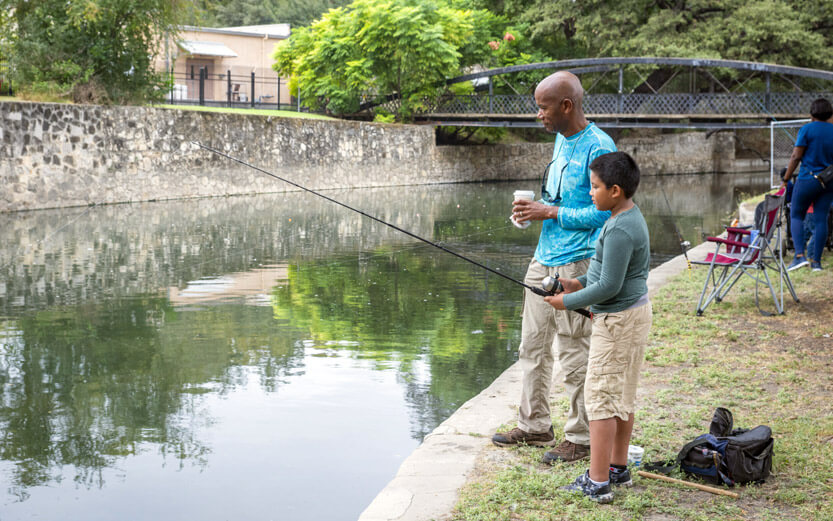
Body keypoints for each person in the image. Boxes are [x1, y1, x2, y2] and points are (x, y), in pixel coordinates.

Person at [491, 71, 615, 464]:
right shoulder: (561, 139)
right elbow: (557, 199)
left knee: (575, 350)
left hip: (578, 261)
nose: (538, 115)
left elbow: (606, 212)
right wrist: (532, 212)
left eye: (543, 108)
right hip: (543, 257)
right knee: (532, 345)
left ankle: (580, 437)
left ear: (566, 106)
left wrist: (550, 212)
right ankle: (534, 426)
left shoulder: (600, 146)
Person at [544, 151, 652, 503]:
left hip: (618, 321)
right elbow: (605, 273)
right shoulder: (626, 217)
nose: (590, 193)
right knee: (622, 395)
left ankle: (598, 481)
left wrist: (567, 302)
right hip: (632, 316)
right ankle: (617, 468)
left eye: (595, 187)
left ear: (615, 190)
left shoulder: (619, 228)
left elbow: (609, 287)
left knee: (601, 399)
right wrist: (576, 283)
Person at [783, 98, 833, 271]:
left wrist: (786, 179)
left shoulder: (806, 129)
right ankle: (816, 263)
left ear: (812, 113)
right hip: (828, 181)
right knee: (821, 219)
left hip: (807, 180)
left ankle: (799, 256)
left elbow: (796, 156)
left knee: (796, 214)